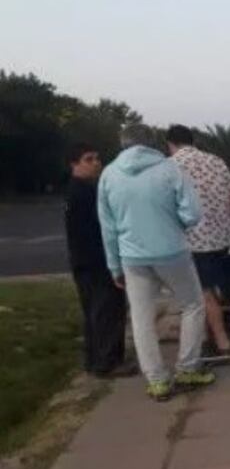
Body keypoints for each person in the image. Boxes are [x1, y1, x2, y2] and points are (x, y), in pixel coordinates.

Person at [97, 124, 215, 401]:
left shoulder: (109, 174)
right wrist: (176, 224)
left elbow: (108, 227)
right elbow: (193, 213)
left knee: (141, 318)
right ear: (153, 142)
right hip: (172, 251)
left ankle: (158, 381)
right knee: (193, 305)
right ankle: (187, 368)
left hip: (132, 257)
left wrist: (114, 265)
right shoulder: (170, 168)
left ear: (123, 143)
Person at [166, 124, 230, 364]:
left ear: (170, 144)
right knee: (210, 290)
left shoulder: (171, 166)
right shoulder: (217, 162)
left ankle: (222, 344)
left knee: (202, 294)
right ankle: (205, 337)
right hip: (220, 238)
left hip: (193, 242)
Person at [63, 143, 135, 378]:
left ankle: (95, 359)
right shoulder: (83, 193)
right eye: (88, 159)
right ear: (74, 164)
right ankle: (108, 361)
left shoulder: (81, 190)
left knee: (94, 311)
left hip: (84, 261)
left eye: (97, 158)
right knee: (107, 310)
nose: (96, 163)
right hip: (96, 261)